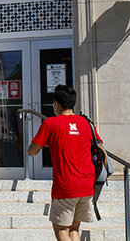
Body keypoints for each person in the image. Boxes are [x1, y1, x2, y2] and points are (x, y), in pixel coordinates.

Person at [27, 84, 99, 241]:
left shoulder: (51, 124)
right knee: (74, 229)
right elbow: (98, 145)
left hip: (65, 185)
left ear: (56, 104)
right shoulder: (87, 123)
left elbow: (32, 151)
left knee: (61, 230)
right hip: (87, 185)